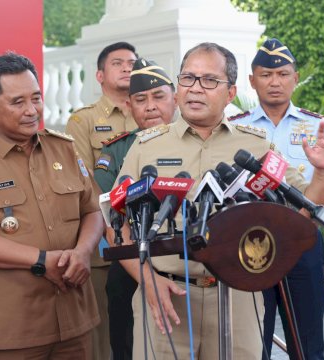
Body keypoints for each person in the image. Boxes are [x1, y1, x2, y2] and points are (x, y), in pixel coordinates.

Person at [115, 42, 324, 359]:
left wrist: (323, 171)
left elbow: (305, 207)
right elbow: (116, 226)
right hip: (166, 294)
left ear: (230, 93)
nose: (196, 89)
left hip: (238, 296)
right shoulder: (146, 146)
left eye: (209, 80)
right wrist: (148, 282)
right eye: (188, 78)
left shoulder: (254, 144)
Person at [0, 52, 104, 359]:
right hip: (12, 330)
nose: (32, 111)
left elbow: (92, 210)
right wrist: (42, 260)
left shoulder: (64, 149)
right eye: (18, 102)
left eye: (36, 98)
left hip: (74, 319)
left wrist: (83, 252)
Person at [229, 38, 324, 360]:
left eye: (282, 74)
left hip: (302, 243)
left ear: (295, 78)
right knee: (253, 341)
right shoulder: (234, 129)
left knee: (308, 341)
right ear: (252, 81)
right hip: (251, 246)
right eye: (266, 75)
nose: (275, 82)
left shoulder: (318, 127)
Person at [94, 57, 177, 360]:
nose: (151, 106)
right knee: (128, 348)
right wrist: (145, 276)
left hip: (185, 263)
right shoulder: (116, 150)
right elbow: (109, 219)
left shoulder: (197, 142)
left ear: (175, 98)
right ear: (129, 106)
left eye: (159, 97)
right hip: (130, 264)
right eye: (140, 99)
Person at [66, 41, 138, 360]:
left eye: (132, 63)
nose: (127, 67)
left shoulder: (149, 112)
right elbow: (85, 182)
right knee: (106, 330)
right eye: (117, 63)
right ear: (99, 74)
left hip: (150, 236)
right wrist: (111, 224)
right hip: (105, 242)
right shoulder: (84, 121)